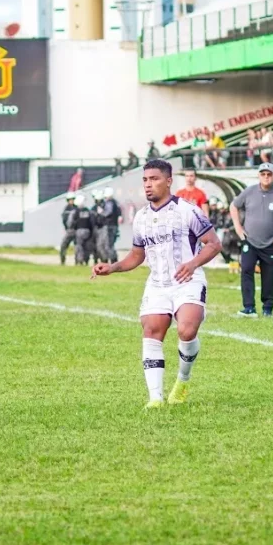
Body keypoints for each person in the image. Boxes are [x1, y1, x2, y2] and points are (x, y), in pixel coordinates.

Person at [91, 159, 222, 408]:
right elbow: (137, 256)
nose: (148, 185)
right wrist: (113, 267)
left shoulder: (188, 210)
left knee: (186, 330)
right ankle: (155, 398)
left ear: (169, 181)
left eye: (154, 179)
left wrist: (193, 264)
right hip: (158, 284)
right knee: (151, 331)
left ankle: (183, 380)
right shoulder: (141, 218)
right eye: (145, 180)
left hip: (188, 281)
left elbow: (214, 244)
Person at [229, 162, 273, 317]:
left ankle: (268, 308)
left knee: (268, 275)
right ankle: (249, 307)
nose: (266, 177)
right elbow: (234, 206)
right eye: (263, 174)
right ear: (259, 175)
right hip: (250, 239)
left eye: (269, 174)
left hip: (270, 242)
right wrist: (238, 227)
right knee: (247, 271)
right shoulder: (249, 192)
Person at [70, 194, 94, 266]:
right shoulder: (88, 211)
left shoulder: (76, 211)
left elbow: (71, 222)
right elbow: (92, 221)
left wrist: (72, 229)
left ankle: (79, 260)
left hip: (79, 231)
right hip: (88, 231)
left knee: (79, 246)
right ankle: (86, 260)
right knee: (86, 246)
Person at [99, 187, 121, 263]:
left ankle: (113, 261)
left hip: (109, 226)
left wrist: (101, 212)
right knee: (110, 244)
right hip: (114, 225)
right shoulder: (116, 202)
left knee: (108, 245)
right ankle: (113, 260)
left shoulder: (109, 203)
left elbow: (107, 213)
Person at [59, 193, 77, 266]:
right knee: (63, 246)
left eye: (72, 199)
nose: (71, 201)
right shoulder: (66, 209)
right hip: (69, 230)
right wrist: (67, 228)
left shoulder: (76, 208)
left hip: (76, 230)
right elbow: (64, 220)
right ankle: (62, 261)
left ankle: (78, 262)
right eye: (70, 200)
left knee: (78, 247)